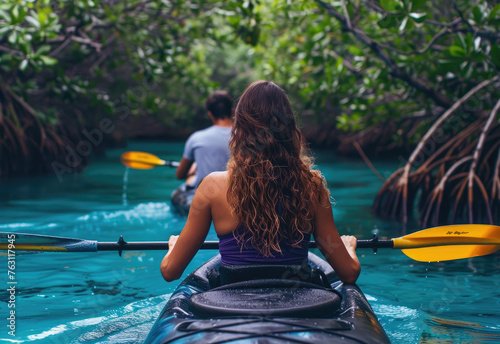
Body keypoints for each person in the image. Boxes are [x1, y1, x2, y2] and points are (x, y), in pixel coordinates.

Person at [161, 81, 360, 284]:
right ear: (289, 128)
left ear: (239, 127)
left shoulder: (212, 186)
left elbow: (170, 272)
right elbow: (349, 273)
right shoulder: (312, 184)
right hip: (296, 303)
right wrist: (349, 249)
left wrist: (173, 248)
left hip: (231, 306)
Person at [175, 91, 233, 187]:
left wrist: (192, 170)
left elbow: (180, 174)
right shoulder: (246, 137)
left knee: (191, 178)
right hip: (236, 192)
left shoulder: (196, 138)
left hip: (206, 192)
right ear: (233, 111)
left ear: (210, 114)